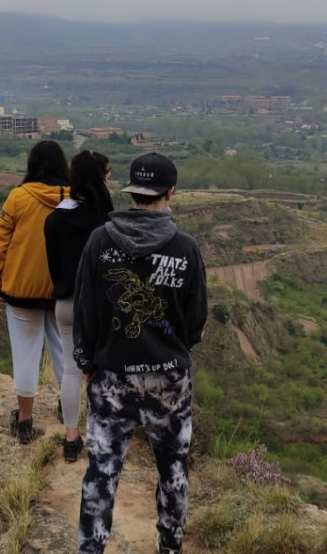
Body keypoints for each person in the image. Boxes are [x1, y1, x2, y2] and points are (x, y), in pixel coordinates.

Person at [72, 152, 208, 554]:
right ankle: (169, 547)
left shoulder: (100, 240)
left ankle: (91, 549)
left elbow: (85, 310)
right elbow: (196, 320)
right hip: (170, 379)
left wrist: (86, 363)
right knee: (173, 471)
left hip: (112, 378)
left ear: (131, 193)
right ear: (171, 193)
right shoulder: (186, 249)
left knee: (101, 473)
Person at [0, 140, 68, 445]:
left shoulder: (18, 198)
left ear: (32, 165)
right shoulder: (77, 199)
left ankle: (24, 421)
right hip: (65, 290)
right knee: (66, 352)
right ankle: (67, 410)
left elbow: (0, 243)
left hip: (21, 289)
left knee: (25, 354)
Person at [44, 150, 114, 463]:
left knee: (71, 371)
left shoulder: (55, 218)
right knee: (103, 371)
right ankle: (103, 438)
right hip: (97, 307)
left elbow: (54, 264)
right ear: (101, 178)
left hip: (65, 303)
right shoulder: (106, 221)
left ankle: (71, 439)